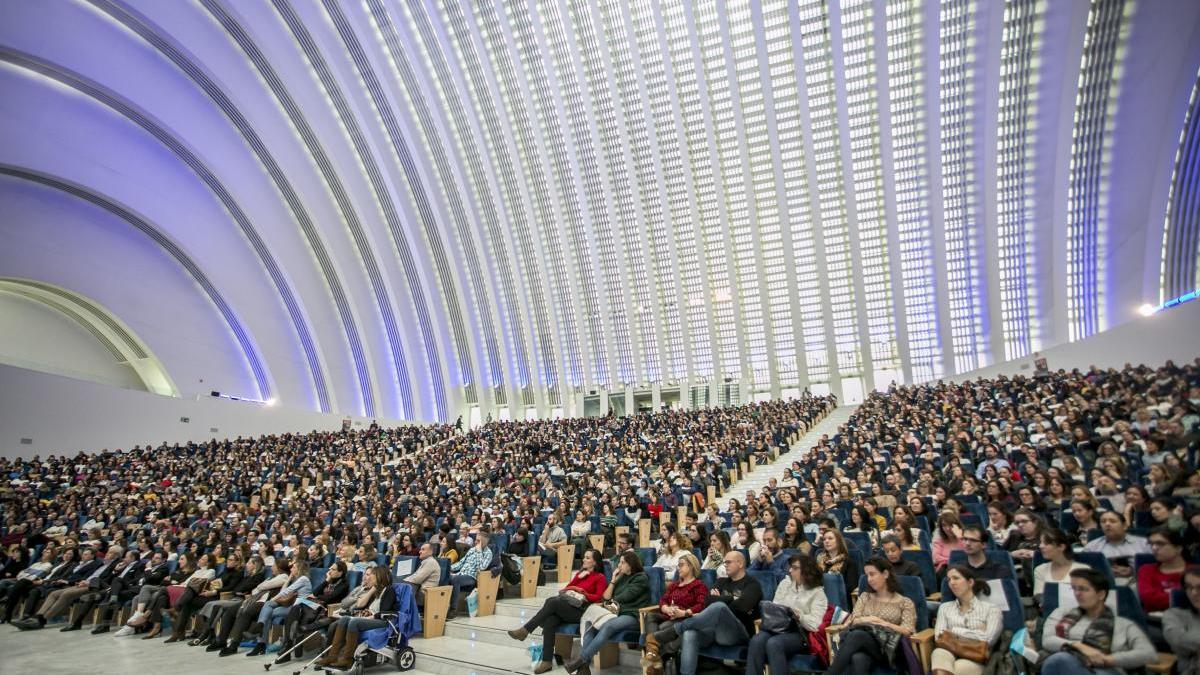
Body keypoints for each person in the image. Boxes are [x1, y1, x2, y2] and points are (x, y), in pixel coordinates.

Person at [645, 550, 762, 675]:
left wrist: (720, 600)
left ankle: (675, 630)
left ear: (740, 563)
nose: (725, 565)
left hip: (736, 632)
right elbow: (707, 600)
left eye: (728, 562)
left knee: (719, 607)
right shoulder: (721, 581)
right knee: (690, 633)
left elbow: (743, 607)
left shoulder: (752, 584)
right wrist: (731, 598)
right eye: (724, 562)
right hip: (713, 631)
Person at [508, 549, 608, 674]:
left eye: (588, 558)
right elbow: (566, 589)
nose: (583, 559)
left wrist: (583, 593)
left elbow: (599, 597)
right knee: (550, 620)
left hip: (584, 611)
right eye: (584, 557)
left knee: (552, 602)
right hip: (570, 607)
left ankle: (526, 630)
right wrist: (577, 581)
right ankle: (547, 661)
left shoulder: (600, 577)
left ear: (595, 562)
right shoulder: (580, 574)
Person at [1040, 568, 1156, 675]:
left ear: (1101, 594)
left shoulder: (1123, 624)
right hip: (1067, 665)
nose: (1077, 593)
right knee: (1059, 660)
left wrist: (1107, 659)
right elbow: (1047, 640)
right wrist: (1080, 647)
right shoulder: (1061, 613)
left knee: (1059, 660)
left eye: (1084, 589)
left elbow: (1148, 654)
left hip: (1106, 670)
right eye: (1074, 588)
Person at [564, 549, 650, 675]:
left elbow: (624, 597)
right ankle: (584, 669)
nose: (619, 566)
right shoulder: (621, 577)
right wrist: (614, 579)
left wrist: (606, 603)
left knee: (608, 625)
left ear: (630, 565)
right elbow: (606, 596)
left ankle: (581, 660)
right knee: (590, 623)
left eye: (622, 563)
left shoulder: (641, 578)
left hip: (632, 615)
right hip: (615, 613)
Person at [826, 557, 916, 675]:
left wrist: (884, 623)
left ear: (885, 574)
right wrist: (869, 619)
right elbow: (854, 620)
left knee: (857, 635)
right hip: (868, 646)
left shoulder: (904, 602)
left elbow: (907, 631)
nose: (869, 579)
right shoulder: (865, 597)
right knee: (858, 658)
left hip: (891, 649)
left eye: (872, 574)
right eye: (867, 575)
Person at [744, 553, 828, 675]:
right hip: (778, 626)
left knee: (774, 643)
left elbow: (815, 624)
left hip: (800, 632)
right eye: (790, 567)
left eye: (794, 568)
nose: (790, 570)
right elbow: (775, 606)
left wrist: (800, 616)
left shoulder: (818, 593)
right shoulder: (785, 584)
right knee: (757, 640)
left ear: (806, 570)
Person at [14, 545, 120, 631]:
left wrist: (88, 582)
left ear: (116, 555)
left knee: (66, 594)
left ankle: (42, 620)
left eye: (110, 552)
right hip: (84, 583)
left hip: (95, 586)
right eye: (108, 551)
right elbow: (89, 574)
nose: (107, 554)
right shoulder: (102, 564)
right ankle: (38, 616)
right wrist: (84, 581)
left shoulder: (114, 564)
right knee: (54, 593)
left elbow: (108, 579)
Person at [316, 566, 397, 670]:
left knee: (354, 622)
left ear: (379, 576)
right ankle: (332, 656)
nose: (369, 578)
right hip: (372, 618)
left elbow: (385, 611)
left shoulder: (389, 590)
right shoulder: (376, 591)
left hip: (383, 621)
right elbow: (362, 605)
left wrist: (370, 617)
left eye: (372, 575)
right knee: (345, 619)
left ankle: (348, 659)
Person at [641, 552, 708, 675]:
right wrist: (666, 608)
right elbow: (663, 600)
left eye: (681, 565)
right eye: (678, 565)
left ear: (691, 566)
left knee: (662, 628)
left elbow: (701, 605)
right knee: (650, 615)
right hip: (669, 615)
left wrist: (683, 612)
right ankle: (653, 651)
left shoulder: (698, 585)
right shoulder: (675, 585)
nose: (678, 568)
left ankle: (654, 656)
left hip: (684, 618)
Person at [930, 565, 1003, 675]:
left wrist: (953, 631)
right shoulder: (945, 607)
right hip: (950, 652)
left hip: (976, 656)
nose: (952, 583)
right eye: (949, 580)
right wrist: (977, 632)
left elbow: (988, 639)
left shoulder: (991, 609)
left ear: (970, 582)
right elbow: (939, 637)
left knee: (959, 667)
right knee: (939, 652)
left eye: (956, 578)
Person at [274, 560, 349, 663]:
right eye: (330, 568)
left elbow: (329, 598)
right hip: (315, 607)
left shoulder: (344, 585)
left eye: (333, 569)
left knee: (298, 614)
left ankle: (288, 648)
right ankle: (288, 645)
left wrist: (318, 597)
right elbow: (315, 592)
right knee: (295, 609)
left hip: (326, 611)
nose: (330, 570)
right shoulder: (329, 582)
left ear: (340, 573)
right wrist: (326, 580)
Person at [195, 555, 267, 647]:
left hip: (243, 600)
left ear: (255, 565)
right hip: (234, 597)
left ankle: (207, 635)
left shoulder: (258, 577)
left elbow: (244, 589)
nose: (246, 565)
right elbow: (237, 589)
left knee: (216, 606)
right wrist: (238, 591)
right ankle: (209, 634)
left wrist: (239, 591)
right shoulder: (248, 576)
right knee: (211, 604)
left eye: (249, 563)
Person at [246, 558, 312, 657]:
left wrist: (273, 599)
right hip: (293, 607)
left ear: (299, 569)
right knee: (267, 608)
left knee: (268, 609)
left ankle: (261, 641)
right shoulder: (296, 579)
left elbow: (285, 592)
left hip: (300, 608)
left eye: (293, 567)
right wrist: (289, 577)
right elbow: (284, 590)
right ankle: (261, 637)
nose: (291, 569)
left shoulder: (303, 579)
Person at [1082, 511, 1150, 585]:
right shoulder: (1091, 547)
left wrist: (1133, 571)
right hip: (1103, 585)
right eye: (1103, 522)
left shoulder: (1144, 544)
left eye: (1112, 521)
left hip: (1139, 583)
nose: (1107, 524)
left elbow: (1156, 568)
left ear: (1124, 525)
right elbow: (1083, 571)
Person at [1138, 526, 1189, 613]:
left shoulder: (1195, 570)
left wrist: (1168, 594)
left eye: (1160, 544)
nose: (1154, 548)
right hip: (1155, 621)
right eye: (1151, 544)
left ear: (1178, 548)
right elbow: (1149, 600)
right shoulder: (1146, 570)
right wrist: (1183, 596)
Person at [1034, 529, 1089, 603]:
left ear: (1061, 547)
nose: (1041, 546)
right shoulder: (1040, 569)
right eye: (1040, 543)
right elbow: (1039, 595)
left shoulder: (1083, 569)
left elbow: (1087, 596)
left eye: (1046, 543)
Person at [447, 530, 492, 619]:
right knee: (445, 576)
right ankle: (440, 608)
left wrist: (479, 552)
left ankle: (453, 609)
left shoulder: (488, 553)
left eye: (478, 541)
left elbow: (481, 567)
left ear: (484, 542)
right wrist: (448, 568)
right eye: (476, 540)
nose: (476, 542)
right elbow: (461, 563)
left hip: (472, 578)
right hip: (461, 575)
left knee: (455, 580)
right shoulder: (472, 550)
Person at [1163, 567, 1200, 675]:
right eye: (1189, 587)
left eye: (1199, 587)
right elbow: (1178, 641)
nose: (1193, 593)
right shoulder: (1174, 615)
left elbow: (1188, 640)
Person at [399, 542, 440, 606]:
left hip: (425, 594)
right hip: (419, 591)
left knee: (405, 587)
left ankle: (404, 610)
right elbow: (414, 576)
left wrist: (403, 581)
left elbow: (417, 579)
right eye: (420, 549)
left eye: (423, 549)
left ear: (430, 552)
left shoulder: (431, 562)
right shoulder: (426, 561)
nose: (420, 552)